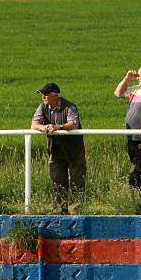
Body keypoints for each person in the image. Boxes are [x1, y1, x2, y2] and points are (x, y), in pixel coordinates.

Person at [31, 83, 86, 214]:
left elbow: (73, 124)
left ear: (55, 96)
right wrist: (43, 127)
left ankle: (76, 211)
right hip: (55, 150)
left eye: (46, 94)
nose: (43, 97)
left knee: (77, 181)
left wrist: (58, 127)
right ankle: (59, 210)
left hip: (74, 150)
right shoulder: (43, 107)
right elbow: (34, 124)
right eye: (42, 94)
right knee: (57, 181)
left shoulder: (70, 107)